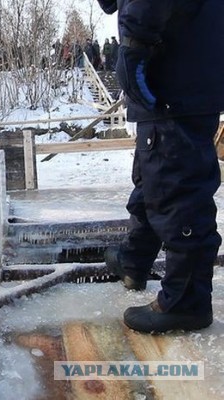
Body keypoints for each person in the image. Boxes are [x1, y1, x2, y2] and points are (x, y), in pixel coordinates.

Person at [98, 0, 224, 333]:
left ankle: (186, 301)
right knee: (152, 180)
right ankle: (135, 260)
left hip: (175, 87)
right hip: (178, 80)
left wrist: (133, 48)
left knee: (177, 192)